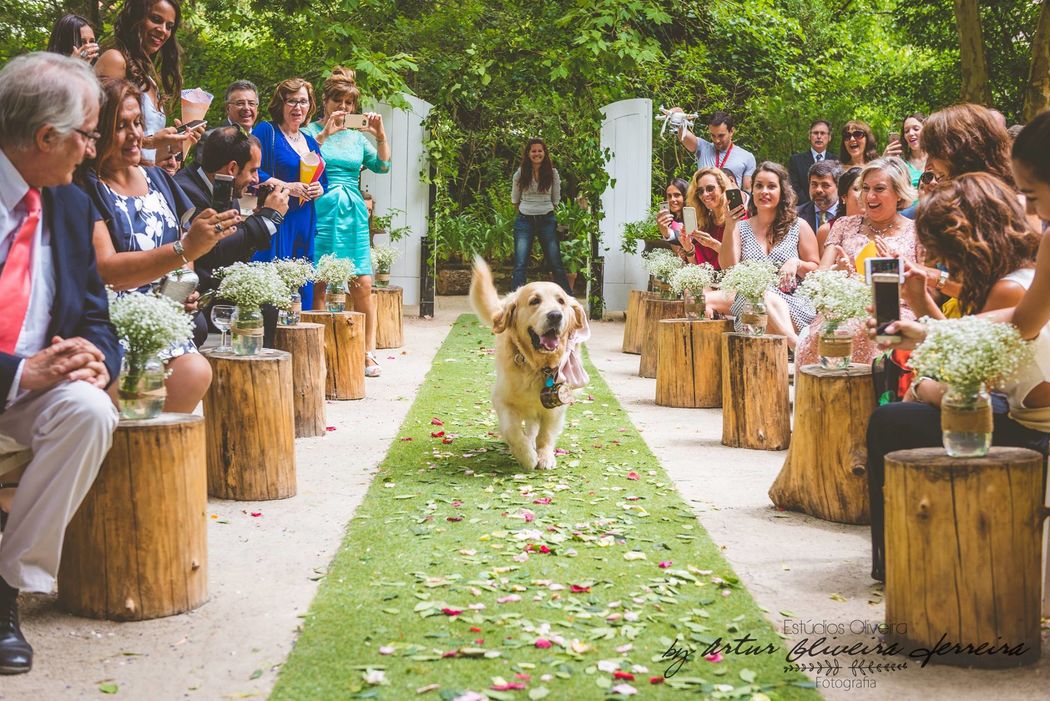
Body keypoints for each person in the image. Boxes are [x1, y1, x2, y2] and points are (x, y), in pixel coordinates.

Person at [0, 52, 121, 675]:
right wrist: (20, 374)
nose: (92, 150)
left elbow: (96, 316)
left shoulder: (70, 204)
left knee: (89, 410)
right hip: (16, 378)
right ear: (47, 137)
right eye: (88, 135)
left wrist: (99, 361)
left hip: (34, 393)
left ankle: (6, 589)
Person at [864, 174, 1048, 582]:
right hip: (1013, 412)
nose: (942, 263)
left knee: (889, 421)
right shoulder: (1021, 276)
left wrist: (923, 388)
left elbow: (970, 387)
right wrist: (920, 302)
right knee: (900, 415)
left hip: (1032, 434)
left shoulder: (1008, 290)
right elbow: (967, 345)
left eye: (944, 253)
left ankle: (898, 560)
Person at [80, 78, 238, 412]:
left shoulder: (158, 178)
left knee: (196, 371)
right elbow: (107, 271)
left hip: (163, 320)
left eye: (138, 123)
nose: (134, 134)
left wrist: (184, 286)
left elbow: (184, 238)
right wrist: (184, 249)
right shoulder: (86, 187)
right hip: (113, 324)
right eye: (120, 126)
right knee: (131, 399)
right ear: (95, 132)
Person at [303, 67, 391, 376]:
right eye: (337, 101)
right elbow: (302, 161)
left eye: (348, 103)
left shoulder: (357, 137)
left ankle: (367, 351)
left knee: (362, 283)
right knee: (319, 281)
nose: (343, 107)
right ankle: (319, 350)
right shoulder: (309, 131)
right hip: (321, 208)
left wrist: (380, 136)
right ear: (325, 101)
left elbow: (382, 167)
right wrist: (326, 134)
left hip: (352, 212)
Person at [795, 158, 920, 368]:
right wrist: (837, 272)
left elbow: (928, 290)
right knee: (835, 328)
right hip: (844, 310)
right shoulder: (844, 225)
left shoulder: (916, 231)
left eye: (879, 189)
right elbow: (819, 277)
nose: (870, 196)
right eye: (865, 188)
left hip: (896, 313)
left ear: (899, 193)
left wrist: (898, 275)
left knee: (868, 329)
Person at [174, 126, 290, 338]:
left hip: (216, 287)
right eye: (253, 170)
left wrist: (258, 219)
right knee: (264, 307)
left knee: (269, 300)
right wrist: (267, 219)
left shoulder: (224, 188)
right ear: (232, 168)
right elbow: (213, 250)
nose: (256, 179)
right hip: (193, 299)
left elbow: (234, 251)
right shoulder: (185, 190)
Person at [720, 162, 819, 348]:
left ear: (782, 191)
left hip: (792, 304)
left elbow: (816, 270)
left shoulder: (799, 226)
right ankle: (797, 346)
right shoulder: (740, 228)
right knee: (758, 296)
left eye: (771, 186)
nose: (764, 191)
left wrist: (796, 263)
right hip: (751, 307)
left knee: (763, 297)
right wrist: (729, 226)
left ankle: (793, 345)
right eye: (759, 186)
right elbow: (728, 268)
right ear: (752, 191)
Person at [95, 0, 203, 164]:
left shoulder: (150, 80)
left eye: (169, 26)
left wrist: (173, 146)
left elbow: (147, 157)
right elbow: (101, 132)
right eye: (156, 19)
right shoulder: (115, 60)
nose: (163, 30)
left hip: (140, 173)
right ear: (135, 17)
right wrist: (151, 141)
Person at [252, 78, 326, 307]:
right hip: (278, 216)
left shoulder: (310, 141)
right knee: (275, 279)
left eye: (303, 101)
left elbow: (324, 180)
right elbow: (252, 171)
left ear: (310, 106)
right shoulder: (267, 131)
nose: (298, 107)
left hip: (305, 218)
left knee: (302, 280)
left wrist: (319, 188)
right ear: (280, 104)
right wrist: (287, 185)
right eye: (291, 101)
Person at [510, 138, 572, 294]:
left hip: (546, 220)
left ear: (544, 153)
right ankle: (515, 300)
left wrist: (544, 210)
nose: (536, 154)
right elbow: (515, 199)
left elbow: (556, 199)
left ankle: (568, 299)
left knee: (555, 262)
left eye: (540, 151)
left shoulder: (553, 173)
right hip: (525, 220)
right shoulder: (520, 173)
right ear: (528, 153)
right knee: (520, 264)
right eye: (533, 151)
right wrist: (527, 210)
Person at [672, 109, 756, 190]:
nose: (717, 140)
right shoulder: (703, 148)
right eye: (713, 135)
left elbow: (747, 191)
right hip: (705, 199)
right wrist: (679, 119)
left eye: (721, 136)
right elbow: (683, 135)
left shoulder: (747, 157)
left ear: (731, 131)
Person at [680, 168, 736, 270]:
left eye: (710, 188)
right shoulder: (703, 223)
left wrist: (714, 245)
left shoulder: (737, 219)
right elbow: (696, 268)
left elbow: (742, 263)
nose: (705, 194)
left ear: (723, 188)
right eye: (700, 191)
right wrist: (688, 249)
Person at [815, 166, 863, 252]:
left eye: (866, 188)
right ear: (844, 197)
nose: (863, 194)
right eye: (857, 189)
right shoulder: (827, 230)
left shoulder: (876, 227)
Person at [788, 119, 832, 204]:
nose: (819, 136)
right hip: (803, 208)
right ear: (809, 136)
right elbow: (794, 187)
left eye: (822, 133)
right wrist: (811, 206)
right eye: (815, 133)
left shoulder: (836, 161)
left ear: (829, 137)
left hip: (830, 207)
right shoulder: (796, 160)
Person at [796, 159, 842, 234]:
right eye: (814, 184)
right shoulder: (795, 215)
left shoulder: (848, 215)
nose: (818, 190)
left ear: (839, 187)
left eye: (825, 185)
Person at [883, 113, 926, 189]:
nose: (910, 133)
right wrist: (883, 160)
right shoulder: (901, 163)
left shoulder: (938, 159)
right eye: (906, 131)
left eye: (916, 129)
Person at [656, 177, 689, 249]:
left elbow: (691, 239)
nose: (672, 199)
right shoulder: (667, 221)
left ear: (685, 196)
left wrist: (667, 233)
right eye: (669, 196)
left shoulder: (694, 217)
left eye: (677, 195)